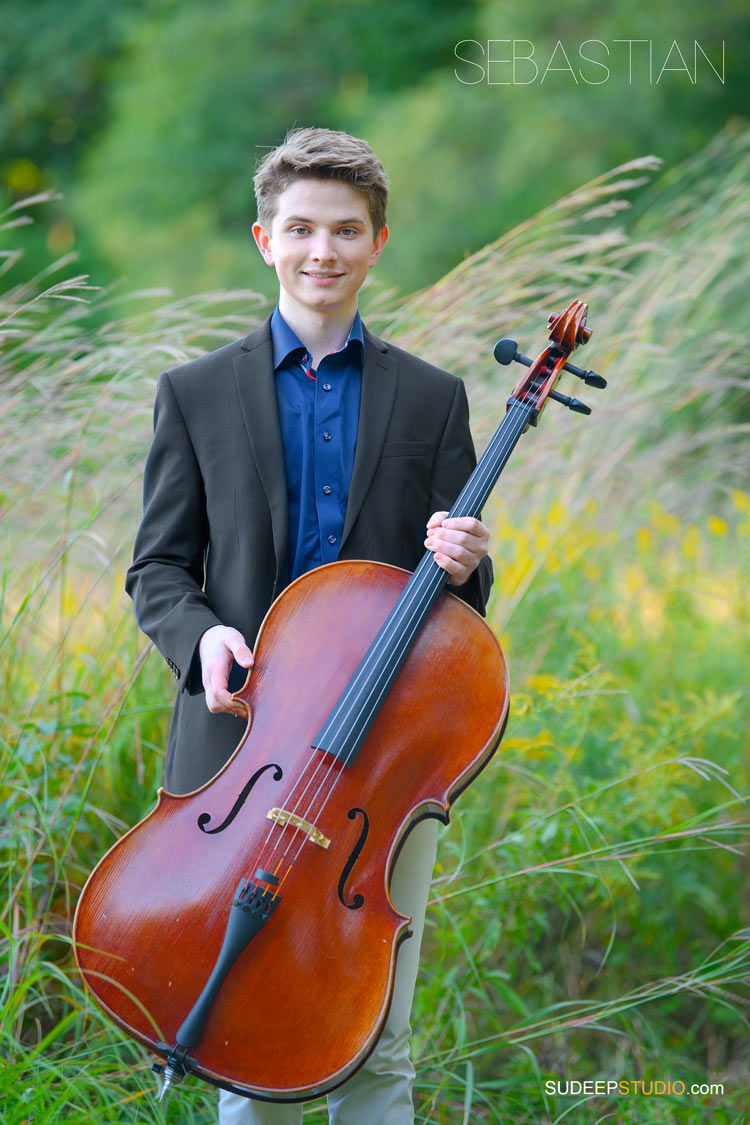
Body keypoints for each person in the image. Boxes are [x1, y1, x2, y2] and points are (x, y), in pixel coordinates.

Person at [125, 126, 493, 1125]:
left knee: (378, 1036)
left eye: (344, 230)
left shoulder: (432, 398)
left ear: (378, 242)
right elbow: (158, 567)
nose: (321, 250)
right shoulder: (194, 395)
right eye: (300, 229)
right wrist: (199, 636)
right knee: (248, 1038)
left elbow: (456, 603)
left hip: (380, 764)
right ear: (263, 238)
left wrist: (465, 563)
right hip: (241, 758)